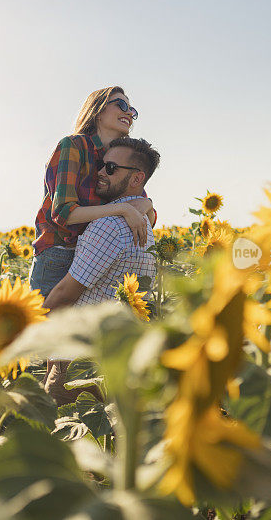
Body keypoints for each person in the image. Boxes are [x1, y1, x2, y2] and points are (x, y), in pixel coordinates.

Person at [41, 137, 161, 404]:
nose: (99, 173)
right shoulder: (145, 224)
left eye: (110, 168)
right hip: (119, 359)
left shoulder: (109, 225)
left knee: (58, 433)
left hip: (81, 360)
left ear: (136, 178)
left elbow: (64, 294)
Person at [29, 86, 157, 299]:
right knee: (44, 325)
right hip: (59, 254)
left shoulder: (119, 158)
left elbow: (145, 219)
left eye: (132, 110)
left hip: (93, 256)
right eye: (121, 105)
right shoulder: (73, 146)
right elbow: (63, 212)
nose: (128, 113)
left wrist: (146, 204)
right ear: (97, 111)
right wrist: (124, 209)